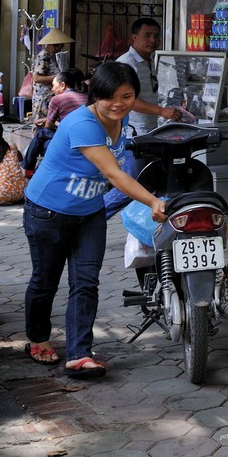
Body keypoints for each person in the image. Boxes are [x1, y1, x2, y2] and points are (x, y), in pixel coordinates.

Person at [23, 61, 167, 378]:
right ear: (94, 96)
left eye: (126, 97)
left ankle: (79, 354)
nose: (119, 104)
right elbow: (113, 174)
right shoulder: (83, 124)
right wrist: (153, 200)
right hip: (48, 211)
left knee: (86, 283)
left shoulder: (122, 112)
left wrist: (165, 112)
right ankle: (37, 339)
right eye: (110, 98)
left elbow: (137, 102)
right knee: (45, 281)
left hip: (89, 213)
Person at [116, 17, 183, 135]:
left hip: (150, 128)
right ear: (134, 38)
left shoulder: (151, 60)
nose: (153, 40)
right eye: (147, 35)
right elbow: (127, 98)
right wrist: (161, 111)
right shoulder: (127, 63)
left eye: (156, 36)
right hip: (132, 132)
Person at [22, 69, 87, 174]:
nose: (52, 89)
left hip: (70, 137)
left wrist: (46, 121)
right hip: (83, 137)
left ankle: (27, 168)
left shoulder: (57, 99)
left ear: (62, 85)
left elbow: (48, 126)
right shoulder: (86, 98)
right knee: (46, 143)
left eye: (53, 85)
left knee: (41, 133)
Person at [28, 27, 74, 125]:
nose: (61, 48)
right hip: (42, 97)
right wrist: (58, 77)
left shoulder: (53, 56)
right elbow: (36, 78)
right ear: (54, 45)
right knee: (41, 123)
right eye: (60, 46)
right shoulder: (43, 57)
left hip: (50, 96)